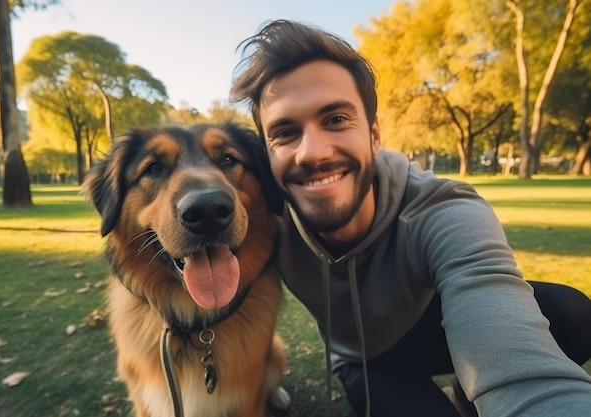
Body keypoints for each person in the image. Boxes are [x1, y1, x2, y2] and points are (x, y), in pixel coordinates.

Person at [230, 19, 591, 417]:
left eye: (335, 119)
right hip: (364, 360)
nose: (312, 152)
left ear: (373, 134)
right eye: (285, 132)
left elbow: (517, 354)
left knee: (570, 311)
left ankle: (467, 399)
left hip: (430, 327)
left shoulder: (443, 207)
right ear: (267, 152)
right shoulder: (263, 222)